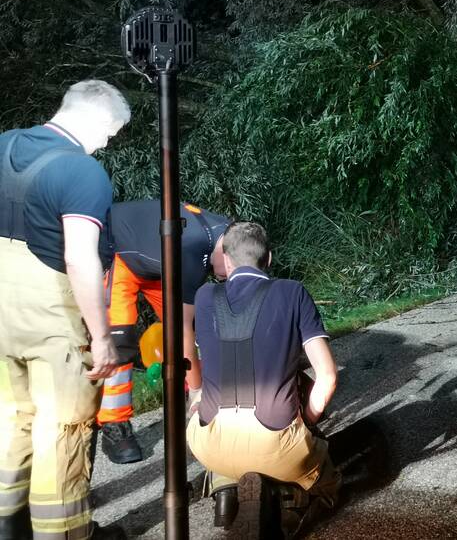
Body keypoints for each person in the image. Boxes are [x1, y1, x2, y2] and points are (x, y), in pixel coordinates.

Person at [0, 80, 131, 540]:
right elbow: (79, 258)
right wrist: (102, 337)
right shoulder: (82, 172)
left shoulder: (4, 144)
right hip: (50, 315)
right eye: (110, 133)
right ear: (98, 119)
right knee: (62, 430)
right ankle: (63, 533)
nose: (106, 143)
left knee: (10, 417)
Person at [186, 222, 339, 532]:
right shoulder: (292, 292)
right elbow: (327, 377)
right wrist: (306, 421)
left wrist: (197, 401)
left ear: (226, 260)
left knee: (206, 406)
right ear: (268, 258)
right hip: (279, 449)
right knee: (330, 486)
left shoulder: (204, 297)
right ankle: (289, 500)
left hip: (210, 446)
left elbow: (204, 363)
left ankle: (223, 486)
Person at [97, 199, 229, 464]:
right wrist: (198, 391)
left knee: (194, 329)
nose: (227, 279)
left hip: (162, 262)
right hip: (120, 253)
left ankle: (200, 395)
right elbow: (182, 330)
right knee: (118, 340)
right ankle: (114, 424)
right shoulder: (195, 251)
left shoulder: (231, 234)